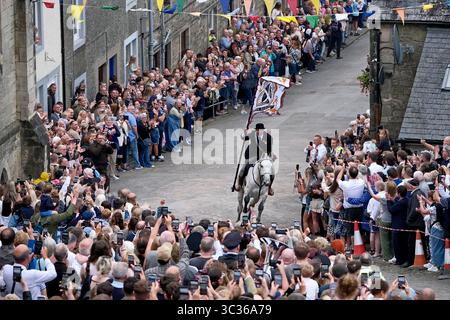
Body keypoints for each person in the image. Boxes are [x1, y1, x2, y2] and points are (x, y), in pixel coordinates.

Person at [235, 123, 275, 196]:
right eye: (257, 130)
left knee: (272, 172)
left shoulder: (269, 137)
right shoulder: (253, 134)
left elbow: (269, 150)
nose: (258, 131)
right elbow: (244, 138)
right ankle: (239, 185)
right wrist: (244, 133)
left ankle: (269, 187)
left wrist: (268, 158)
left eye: (260, 130)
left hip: (262, 156)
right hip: (251, 155)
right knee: (243, 169)